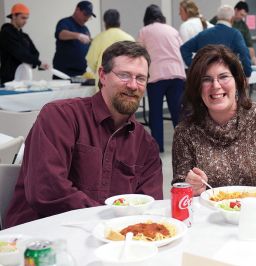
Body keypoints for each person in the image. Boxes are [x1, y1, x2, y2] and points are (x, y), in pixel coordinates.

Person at [5, 41, 163, 228]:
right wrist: (105, 222)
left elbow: (148, 207)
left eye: (140, 78)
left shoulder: (146, 146)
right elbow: (46, 191)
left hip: (109, 243)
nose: (133, 85)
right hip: (39, 238)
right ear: (103, 75)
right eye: (124, 75)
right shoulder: (61, 117)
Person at [172, 44, 256, 196]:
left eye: (223, 77)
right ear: (197, 87)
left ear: (237, 81)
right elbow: (179, 187)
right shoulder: (185, 132)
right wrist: (189, 188)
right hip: (207, 216)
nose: (216, 86)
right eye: (206, 79)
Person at [138, 5, 186, 153]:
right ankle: (184, 145)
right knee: (178, 113)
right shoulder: (172, 30)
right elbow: (182, 48)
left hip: (156, 76)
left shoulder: (144, 31)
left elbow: (139, 53)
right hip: (177, 74)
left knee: (156, 113)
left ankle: (158, 146)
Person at [180, 5, 252, 78]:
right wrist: (247, 73)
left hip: (205, 77)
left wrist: (195, 67)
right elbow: (245, 53)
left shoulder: (204, 34)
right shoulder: (235, 34)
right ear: (232, 19)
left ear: (217, 18)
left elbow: (184, 48)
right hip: (225, 78)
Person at [0, 3, 48, 84]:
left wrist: (35, 62)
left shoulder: (25, 36)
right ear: (14, 16)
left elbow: (35, 52)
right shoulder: (6, 33)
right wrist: (38, 63)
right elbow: (19, 52)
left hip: (24, 77)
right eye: (23, 18)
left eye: (26, 18)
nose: (25, 21)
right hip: (9, 78)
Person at [86, 9, 134, 79]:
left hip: (104, 82)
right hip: (124, 81)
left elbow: (91, 61)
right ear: (119, 22)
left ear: (105, 23)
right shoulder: (129, 39)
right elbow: (134, 62)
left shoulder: (98, 39)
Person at [52, 1, 95, 78]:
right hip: (64, 72)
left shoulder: (85, 29)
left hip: (81, 72)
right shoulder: (65, 22)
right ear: (77, 10)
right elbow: (61, 34)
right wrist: (78, 36)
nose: (87, 18)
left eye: (89, 16)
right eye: (85, 14)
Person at [210, 1, 256, 65]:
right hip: (217, 56)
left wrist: (253, 58)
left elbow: (249, 45)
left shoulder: (243, 25)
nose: (242, 17)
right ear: (236, 10)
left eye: (244, 16)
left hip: (234, 59)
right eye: (241, 14)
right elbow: (208, 33)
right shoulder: (220, 18)